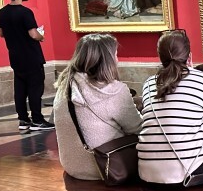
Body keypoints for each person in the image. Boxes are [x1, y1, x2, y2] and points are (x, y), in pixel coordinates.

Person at [137, 32, 203, 186]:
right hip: (186, 174)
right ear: (189, 56)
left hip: (147, 172)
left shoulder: (148, 83)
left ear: (160, 57)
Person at [53, 34, 142, 180]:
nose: (117, 60)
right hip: (107, 166)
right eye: (115, 55)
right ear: (107, 60)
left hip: (72, 165)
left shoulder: (66, 85)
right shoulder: (114, 91)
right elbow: (138, 128)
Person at [0, 0, 54, 132]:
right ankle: (37, 120)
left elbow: (1, 33)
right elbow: (33, 34)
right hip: (31, 56)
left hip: (15, 56)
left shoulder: (2, 12)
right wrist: (41, 36)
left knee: (20, 89)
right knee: (35, 89)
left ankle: (23, 119)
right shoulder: (25, 12)